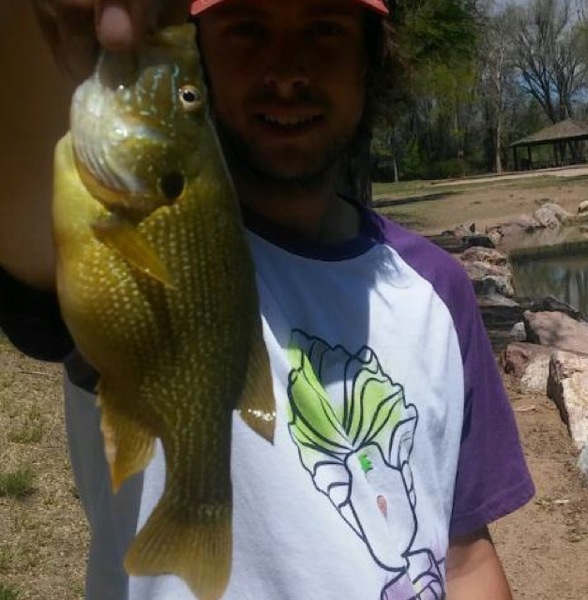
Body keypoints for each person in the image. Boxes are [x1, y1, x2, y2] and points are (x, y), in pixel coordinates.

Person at [0, 0, 535, 598]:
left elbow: (465, 558)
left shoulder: (438, 286)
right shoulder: (128, 230)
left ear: (368, 60)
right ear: (201, 56)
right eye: (247, 29)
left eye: (324, 29)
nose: (285, 71)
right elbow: (21, 126)